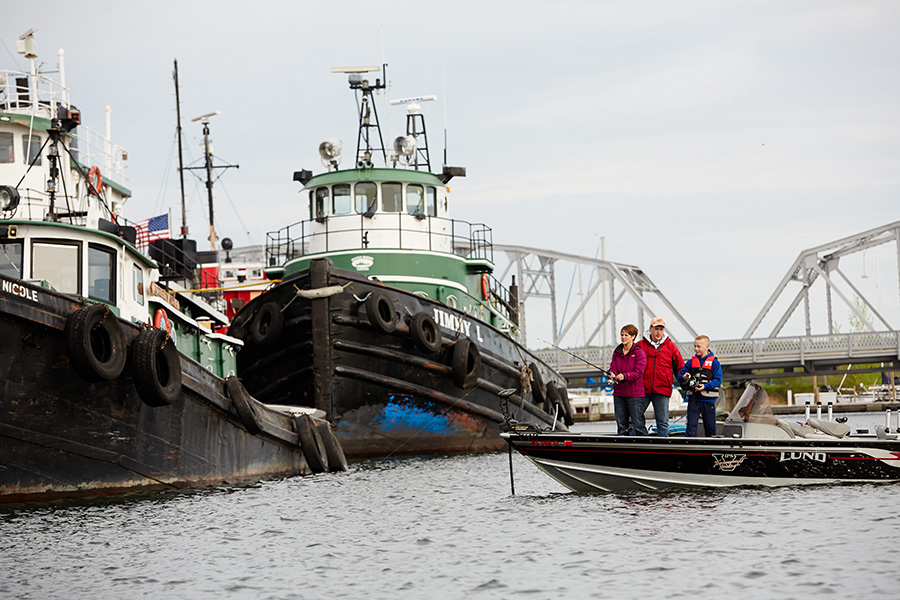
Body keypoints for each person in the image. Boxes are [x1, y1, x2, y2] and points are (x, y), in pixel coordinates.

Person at [636, 316, 684, 437]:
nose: (659, 332)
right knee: (635, 419)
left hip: (662, 389)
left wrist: (685, 379)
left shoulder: (671, 346)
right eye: (656, 329)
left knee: (662, 422)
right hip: (642, 389)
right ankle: (639, 443)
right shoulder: (639, 345)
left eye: (661, 329)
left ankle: (663, 448)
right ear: (650, 328)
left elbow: (680, 367)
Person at [677, 335, 723, 437]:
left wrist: (706, 386)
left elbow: (718, 380)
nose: (696, 349)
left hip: (708, 401)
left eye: (698, 346)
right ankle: (689, 449)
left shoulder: (714, 363)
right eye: (694, 346)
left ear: (706, 347)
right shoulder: (690, 363)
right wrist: (684, 376)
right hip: (694, 400)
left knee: (710, 428)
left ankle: (711, 448)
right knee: (691, 427)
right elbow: (679, 376)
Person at [609, 324, 647, 435]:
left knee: (638, 424)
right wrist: (612, 373)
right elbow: (613, 367)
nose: (623, 337)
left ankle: (645, 448)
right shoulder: (617, 352)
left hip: (635, 394)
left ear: (633, 336)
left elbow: (639, 372)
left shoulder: (639, 352)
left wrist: (624, 376)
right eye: (622, 335)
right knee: (621, 425)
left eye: (626, 335)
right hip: (619, 393)